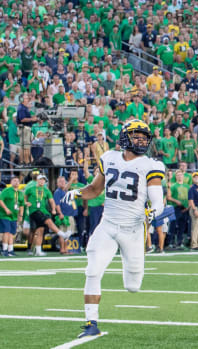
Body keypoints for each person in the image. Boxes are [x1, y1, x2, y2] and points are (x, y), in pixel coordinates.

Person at [62, 119, 165, 338]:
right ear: (125, 137)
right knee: (92, 271)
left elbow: (158, 201)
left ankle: (127, 275)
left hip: (133, 229)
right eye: (136, 136)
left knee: (133, 285)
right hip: (107, 225)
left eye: (144, 137)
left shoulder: (151, 165)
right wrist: (78, 193)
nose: (141, 140)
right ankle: (91, 323)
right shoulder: (108, 158)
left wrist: (152, 213)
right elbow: (94, 189)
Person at [24, 174, 69, 256]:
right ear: (37, 180)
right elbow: (24, 197)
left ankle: (38, 250)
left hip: (43, 210)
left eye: (43, 180)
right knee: (47, 222)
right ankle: (62, 234)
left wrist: (53, 209)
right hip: (34, 210)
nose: (42, 181)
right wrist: (26, 202)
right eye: (40, 179)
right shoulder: (30, 189)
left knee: (40, 231)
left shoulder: (46, 190)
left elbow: (51, 200)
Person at [0, 176, 24, 257]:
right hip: (4, 215)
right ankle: (4, 249)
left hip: (14, 216)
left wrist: (21, 215)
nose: (16, 182)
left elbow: (21, 205)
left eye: (17, 181)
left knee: (11, 233)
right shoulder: (6, 190)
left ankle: (10, 250)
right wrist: (6, 209)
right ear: (11, 182)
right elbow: (0, 200)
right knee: (6, 231)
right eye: (14, 181)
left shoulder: (20, 193)